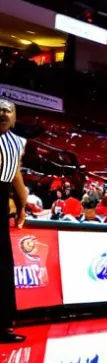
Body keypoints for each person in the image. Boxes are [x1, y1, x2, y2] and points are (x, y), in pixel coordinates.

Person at [0, 99, 27, 343]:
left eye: (8, 110)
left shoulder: (17, 143)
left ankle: (3, 326)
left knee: (3, 267)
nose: (3, 113)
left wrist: (21, 206)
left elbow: (16, 177)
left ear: (15, 117)